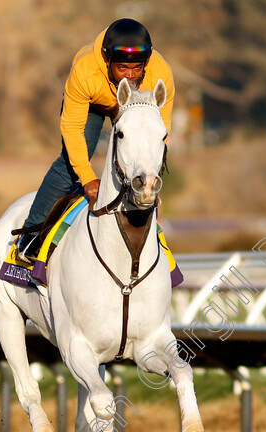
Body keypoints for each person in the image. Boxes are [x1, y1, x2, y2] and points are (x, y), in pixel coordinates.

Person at [17, 18, 175, 261]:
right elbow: (71, 128)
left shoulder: (160, 72)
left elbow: (160, 132)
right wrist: (88, 177)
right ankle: (32, 233)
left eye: (137, 68)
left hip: (135, 105)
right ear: (107, 60)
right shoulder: (85, 70)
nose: (130, 76)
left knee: (141, 160)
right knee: (71, 165)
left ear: (147, 62)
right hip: (94, 102)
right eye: (122, 67)